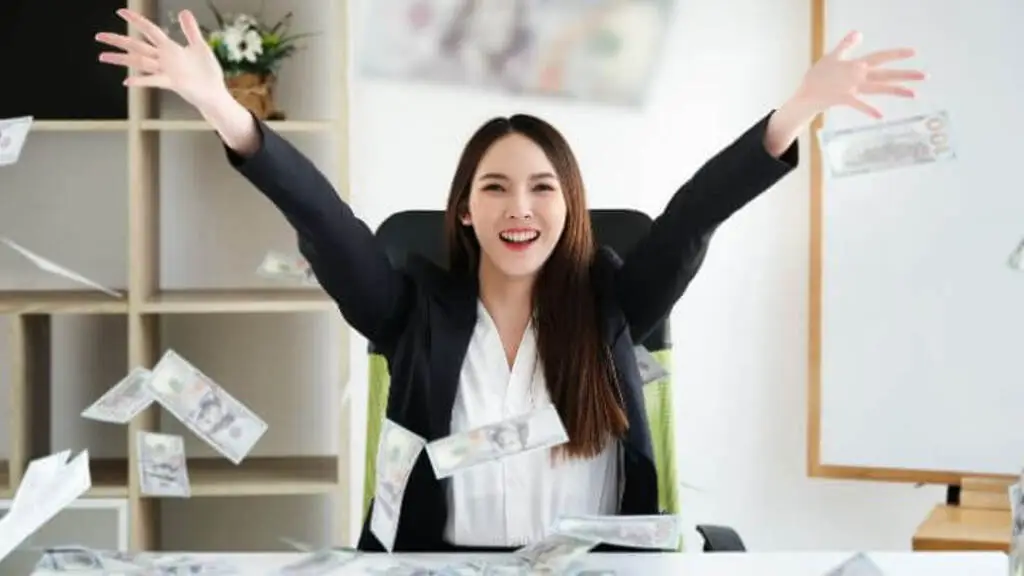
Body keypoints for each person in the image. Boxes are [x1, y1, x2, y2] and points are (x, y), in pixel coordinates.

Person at [95, 8, 925, 553]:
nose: (518, 207)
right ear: (462, 211)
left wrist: (795, 113)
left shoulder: (617, 301)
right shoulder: (408, 309)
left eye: (541, 187)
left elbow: (690, 218)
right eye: (494, 187)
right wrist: (224, 109)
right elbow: (328, 224)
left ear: (571, 207)